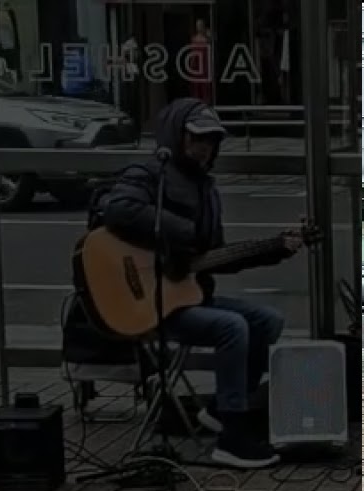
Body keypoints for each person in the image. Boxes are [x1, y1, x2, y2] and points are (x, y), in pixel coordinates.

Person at [100, 98, 305, 470]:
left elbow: (214, 258)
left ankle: (221, 409)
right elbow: (117, 209)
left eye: (211, 140)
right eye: (197, 138)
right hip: (148, 304)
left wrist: (276, 249)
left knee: (267, 320)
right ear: (176, 136)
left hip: (187, 299)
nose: (205, 147)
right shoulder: (149, 174)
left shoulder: (207, 191)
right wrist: (182, 232)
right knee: (232, 327)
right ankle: (232, 437)